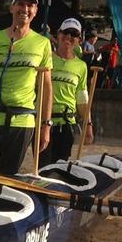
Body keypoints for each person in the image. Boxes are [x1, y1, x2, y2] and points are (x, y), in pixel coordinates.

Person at [0, 0, 52, 174]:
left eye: (30, 5)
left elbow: (46, 86)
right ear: (11, 8)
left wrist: (46, 124)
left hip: (22, 121)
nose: (25, 9)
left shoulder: (42, 43)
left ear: (35, 11)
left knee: (7, 181)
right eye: (20, 4)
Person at [46, 18, 90, 164]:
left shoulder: (81, 66)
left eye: (74, 34)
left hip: (66, 124)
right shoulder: (46, 58)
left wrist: (88, 124)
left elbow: (82, 99)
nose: (69, 37)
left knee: (60, 169)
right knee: (42, 168)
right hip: (44, 123)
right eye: (65, 32)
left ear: (79, 39)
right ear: (58, 34)